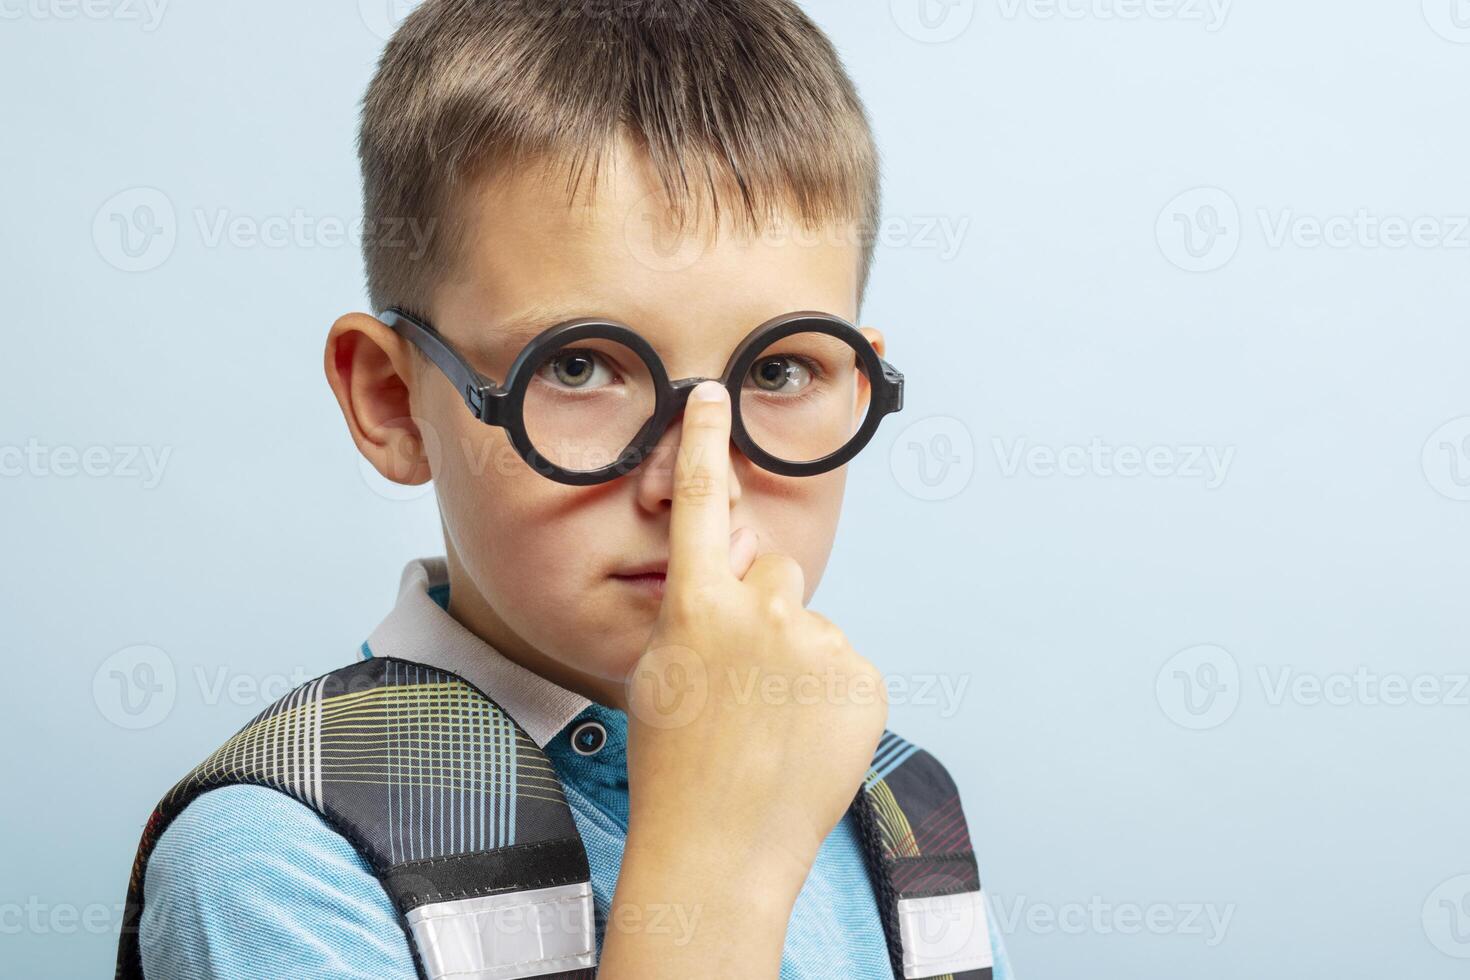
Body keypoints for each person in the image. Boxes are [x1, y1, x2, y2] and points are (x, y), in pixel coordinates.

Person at [120, 2, 1015, 977]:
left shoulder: (900, 808)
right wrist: (716, 871)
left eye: (777, 371)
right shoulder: (279, 863)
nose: (695, 487)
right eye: (580, 366)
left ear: (854, 380)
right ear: (393, 399)